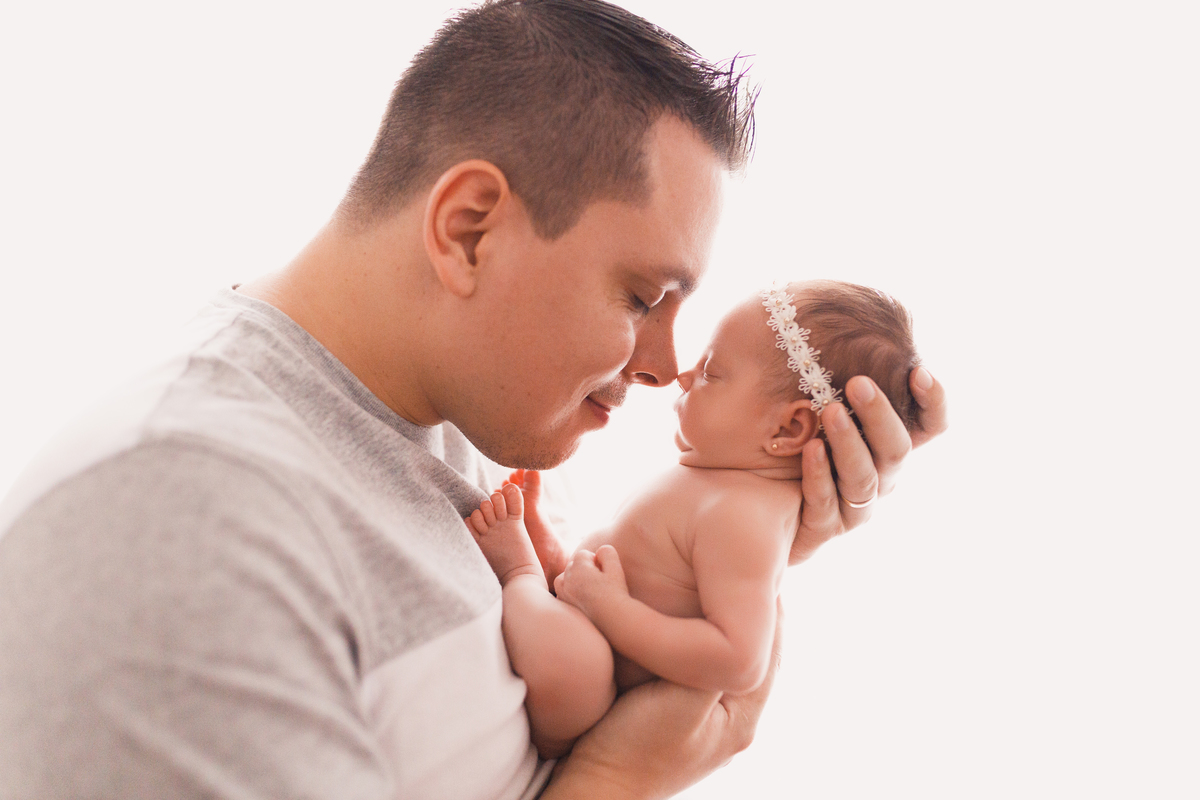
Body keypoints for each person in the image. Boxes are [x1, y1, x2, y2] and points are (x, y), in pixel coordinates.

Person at [0, 1, 947, 798]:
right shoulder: (171, 530)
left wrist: (786, 521)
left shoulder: (484, 427)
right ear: (468, 231)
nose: (668, 365)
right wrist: (615, 783)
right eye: (640, 298)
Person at [467, 280, 925, 759]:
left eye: (711, 370)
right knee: (577, 596)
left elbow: (738, 659)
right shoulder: (724, 481)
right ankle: (547, 563)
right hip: (585, 610)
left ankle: (518, 573)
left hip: (592, 692)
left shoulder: (746, 519)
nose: (683, 375)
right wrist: (571, 566)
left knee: (576, 665)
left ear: (788, 429)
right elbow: (644, 567)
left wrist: (611, 609)